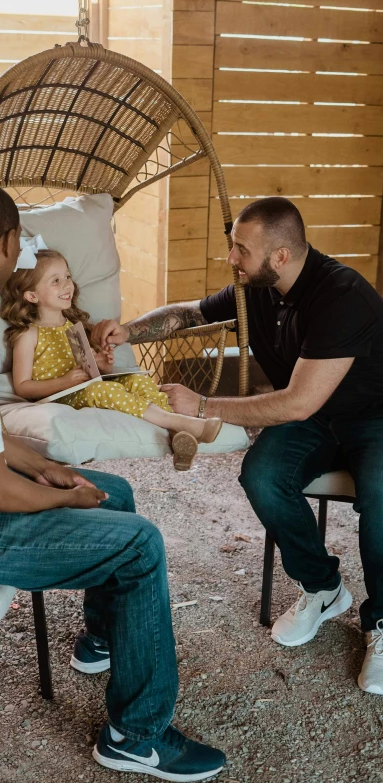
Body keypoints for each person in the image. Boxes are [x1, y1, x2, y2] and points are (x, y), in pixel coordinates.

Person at [0, 178, 226, 781]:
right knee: (139, 543)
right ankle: (137, 738)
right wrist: (73, 497)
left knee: (120, 493)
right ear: (7, 246)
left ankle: (109, 641)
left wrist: (50, 468)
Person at [93, 196, 383, 696]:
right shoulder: (258, 288)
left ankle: (381, 624)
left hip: (373, 417)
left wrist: (202, 406)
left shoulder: (342, 296)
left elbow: (295, 404)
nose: (231, 259)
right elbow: (187, 313)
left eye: (240, 250)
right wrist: (128, 333)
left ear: (281, 257)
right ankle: (323, 587)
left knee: (381, 495)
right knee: (261, 475)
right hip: (317, 421)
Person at [0, 248, 222, 471]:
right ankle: (184, 424)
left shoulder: (73, 328)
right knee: (102, 392)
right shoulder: (28, 335)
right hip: (59, 396)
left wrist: (102, 366)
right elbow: (22, 386)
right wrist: (64, 382)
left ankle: (177, 434)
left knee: (138, 381)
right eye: (55, 281)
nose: (67, 285)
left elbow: (87, 371)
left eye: (68, 276)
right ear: (31, 296)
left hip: (83, 387)